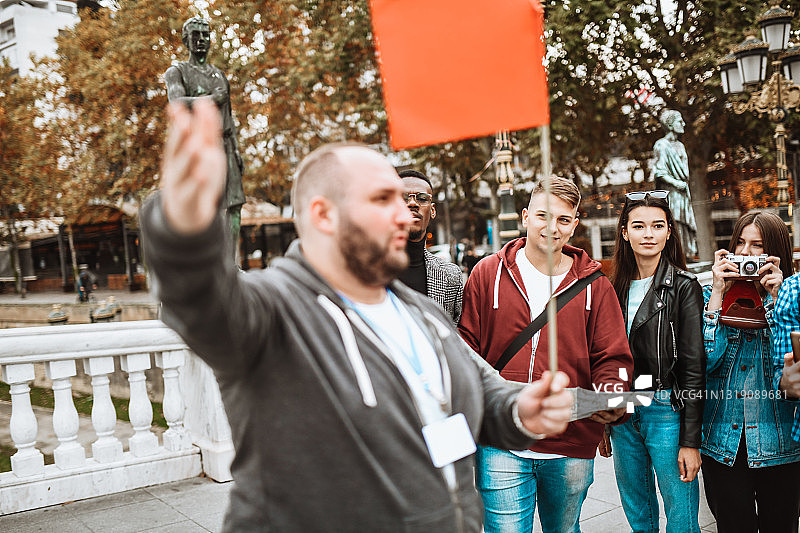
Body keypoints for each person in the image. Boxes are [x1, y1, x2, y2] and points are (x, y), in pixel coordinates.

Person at [140, 99, 574, 532]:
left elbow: (482, 391)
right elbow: (197, 295)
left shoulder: (421, 310)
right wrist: (185, 222)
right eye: (383, 199)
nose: (405, 214)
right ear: (324, 214)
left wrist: (520, 410)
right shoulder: (272, 309)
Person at [458, 177, 633, 533]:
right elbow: (467, 350)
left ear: (574, 224)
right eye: (543, 216)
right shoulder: (486, 273)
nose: (552, 228)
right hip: (500, 440)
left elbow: (612, 356)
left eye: (563, 220)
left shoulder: (595, 287)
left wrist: (610, 394)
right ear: (525, 216)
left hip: (569, 442)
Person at [599, 190, 705, 533]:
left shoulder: (684, 287)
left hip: (665, 409)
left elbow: (693, 366)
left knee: (680, 516)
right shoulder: (610, 288)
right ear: (624, 232)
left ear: (669, 232)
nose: (649, 234)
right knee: (637, 514)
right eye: (639, 226)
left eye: (657, 226)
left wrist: (690, 441)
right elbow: (602, 356)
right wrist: (604, 418)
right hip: (621, 407)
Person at [702, 211, 800, 532]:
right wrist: (717, 291)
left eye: (757, 246)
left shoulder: (792, 297)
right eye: (740, 244)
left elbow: (789, 365)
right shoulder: (710, 296)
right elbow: (705, 363)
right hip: (723, 444)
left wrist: (777, 300)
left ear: (776, 254)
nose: (745, 254)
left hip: (781, 444)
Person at [164, 16, 245, 245]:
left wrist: (237, 150)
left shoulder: (219, 74)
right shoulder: (177, 71)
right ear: (186, 41)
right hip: (200, 145)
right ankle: (212, 265)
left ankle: (231, 265)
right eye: (195, 36)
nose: (201, 40)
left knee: (235, 207)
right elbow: (177, 103)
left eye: (205, 35)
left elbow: (229, 115)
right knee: (207, 207)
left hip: (227, 144)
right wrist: (212, 99)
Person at [397, 169, 463, 323]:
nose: (412, 203)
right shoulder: (369, 270)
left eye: (421, 198)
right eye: (403, 198)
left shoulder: (451, 276)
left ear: (432, 210)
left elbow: (456, 336)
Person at [652, 109, 697, 258]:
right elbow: (659, 171)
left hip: (683, 191)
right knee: (675, 223)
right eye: (679, 121)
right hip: (671, 192)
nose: (683, 124)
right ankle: (676, 256)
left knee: (684, 224)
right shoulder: (661, 145)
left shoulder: (680, 146)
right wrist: (676, 183)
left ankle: (687, 255)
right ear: (670, 125)